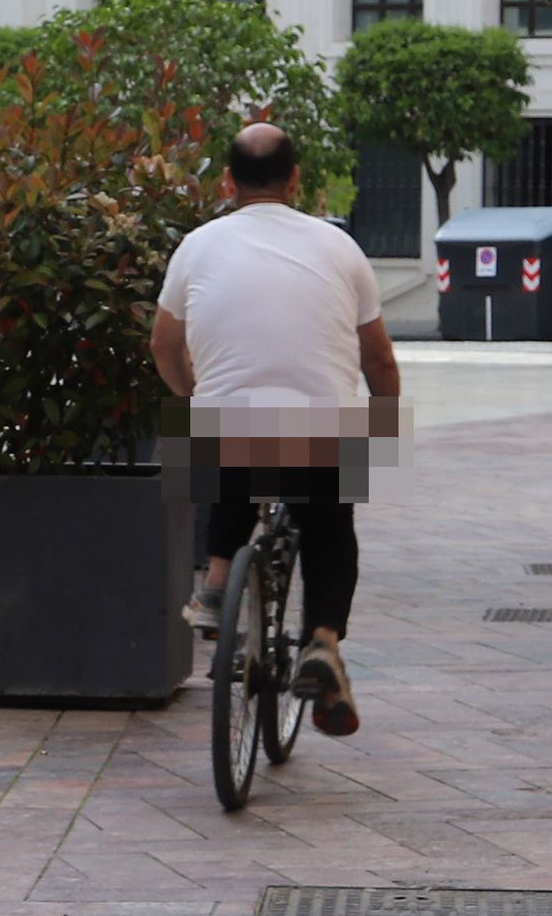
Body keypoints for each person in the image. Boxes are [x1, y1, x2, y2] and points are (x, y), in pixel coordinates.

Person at [150, 122, 400, 737]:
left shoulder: (197, 245)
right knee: (330, 521)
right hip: (321, 426)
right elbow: (379, 361)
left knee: (219, 442)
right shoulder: (341, 248)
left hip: (226, 428)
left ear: (227, 182)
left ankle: (214, 582)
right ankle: (322, 642)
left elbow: (163, 343)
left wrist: (190, 396)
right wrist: (385, 428)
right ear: (295, 180)